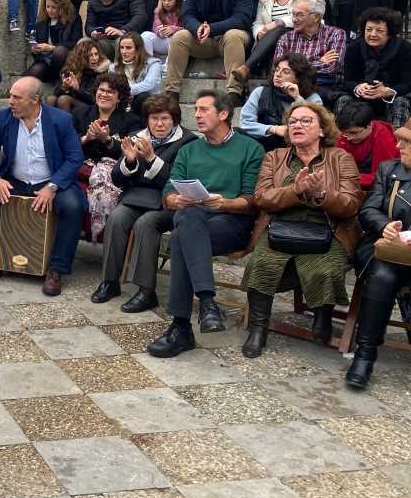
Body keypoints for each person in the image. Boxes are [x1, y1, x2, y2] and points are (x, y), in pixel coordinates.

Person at [146, 91, 264, 358]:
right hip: (193, 219)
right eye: (196, 109)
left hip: (231, 223)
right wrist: (175, 199)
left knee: (180, 237)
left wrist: (223, 203)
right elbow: (168, 191)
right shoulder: (189, 150)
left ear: (223, 114)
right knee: (185, 224)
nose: (196, 115)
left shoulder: (250, 148)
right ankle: (207, 303)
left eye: (203, 110)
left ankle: (181, 328)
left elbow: (252, 200)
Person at [242, 101, 361, 357]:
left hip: (327, 229)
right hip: (280, 227)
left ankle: (322, 317)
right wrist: (295, 191)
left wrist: (321, 194)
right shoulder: (274, 157)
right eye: (293, 121)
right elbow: (261, 198)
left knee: (325, 267)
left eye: (306, 121)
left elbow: (351, 205)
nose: (297, 125)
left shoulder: (340, 158)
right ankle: (258, 328)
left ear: (321, 130)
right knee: (260, 263)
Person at [0, 76, 86, 293]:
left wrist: (52, 186)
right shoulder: (5, 117)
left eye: (16, 97)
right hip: (15, 180)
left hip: (50, 181)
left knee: (72, 206)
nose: (10, 101)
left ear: (35, 100)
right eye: (11, 96)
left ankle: (56, 269)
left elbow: (74, 157)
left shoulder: (60, 120)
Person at [91, 94, 197, 310]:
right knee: (117, 217)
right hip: (137, 198)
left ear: (174, 120)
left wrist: (150, 159)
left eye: (165, 119)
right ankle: (110, 282)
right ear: (146, 120)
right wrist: (129, 161)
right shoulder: (135, 136)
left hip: (167, 202)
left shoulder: (187, 142)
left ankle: (146, 291)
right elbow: (117, 178)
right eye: (154, 118)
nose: (159, 124)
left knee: (145, 224)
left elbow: (176, 181)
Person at [349, 118, 411, 387]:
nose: (398, 146)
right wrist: (385, 226)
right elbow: (368, 210)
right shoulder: (389, 170)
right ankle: (364, 354)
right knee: (383, 275)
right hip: (386, 249)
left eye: (407, 142)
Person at [160, 0, 256, 100]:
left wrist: (212, 28)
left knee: (233, 35)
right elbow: (187, 15)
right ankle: (171, 91)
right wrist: (197, 28)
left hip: (232, 40)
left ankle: (235, 92)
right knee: (180, 36)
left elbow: (242, 19)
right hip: (204, 40)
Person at [233, 0, 320, 86]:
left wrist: (277, 23)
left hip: (300, 35)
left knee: (279, 30)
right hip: (272, 41)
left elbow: (307, 14)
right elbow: (258, 22)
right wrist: (259, 33)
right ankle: (266, 84)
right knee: (276, 35)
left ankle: (247, 68)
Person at [339, 6, 411, 125]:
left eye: (379, 30)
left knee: (401, 102)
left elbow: (407, 83)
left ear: (390, 33)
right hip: (363, 96)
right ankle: (343, 140)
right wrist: (359, 87)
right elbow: (347, 81)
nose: (372, 34)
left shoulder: (405, 49)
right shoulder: (354, 48)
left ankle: (397, 141)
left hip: (393, 95)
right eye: (369, 29)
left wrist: (388, 91)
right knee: (343, 100)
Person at [240, 53, 323, 150]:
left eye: (286, 72)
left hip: (295, 147)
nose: (278, 74)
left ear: (298, 79)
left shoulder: (313, 98)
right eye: (277, 69)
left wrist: (297, 98)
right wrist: (274, 129)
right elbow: (245, 123)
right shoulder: (260, 92)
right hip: (263, 144)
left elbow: (314, 128)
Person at [271, 0, 346, 100]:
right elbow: (277, 66)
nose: (294, 19)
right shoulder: (286, 38)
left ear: (316, 17)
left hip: (323, 86)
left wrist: (294, 68)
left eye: (299, 15)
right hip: (289, 85)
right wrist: (319, 61)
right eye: (293, 15)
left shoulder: (336, 34)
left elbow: (331, 68)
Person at [74, 72, 142, 161]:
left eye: (110, 92)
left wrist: (108, 140)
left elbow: (132, 154)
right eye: (101, 90)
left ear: (119, 97)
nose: (104, 94)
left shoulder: (132, 121)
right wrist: (85, 138)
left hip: (110, 170)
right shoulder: (79, 113)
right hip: (79, 165)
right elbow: (67, 143)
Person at [85, 0, 151, 57]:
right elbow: (89, 25)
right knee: (83, 43)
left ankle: (119, 70)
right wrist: (93, 32)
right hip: (104, 40)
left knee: (122, 42)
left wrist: (123, 31)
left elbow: (141, 16)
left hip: (127, 35)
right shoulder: (93, 1)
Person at [25, 0, 83, 84]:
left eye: (54, 7)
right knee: (33, 73)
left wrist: (52, 48)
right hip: (46, 60)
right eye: (47, 6)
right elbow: (39, 43)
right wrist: (35, 49)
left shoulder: (74, 19)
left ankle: (59, 78)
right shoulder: (42, 21)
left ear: (62, 8)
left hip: (66, 60)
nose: (49, 10)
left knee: (59, 51)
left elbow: (76, 42)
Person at [337, 100, 398, 190]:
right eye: (345, 133)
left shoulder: (385, 139)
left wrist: (349, 179)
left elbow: (383, 177)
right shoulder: (343, 135)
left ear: (370, 125)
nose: (348, 138)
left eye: (353, 133)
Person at [109, 33, 163, 112]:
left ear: (138, 49)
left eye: (128, 48)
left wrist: (125, 91)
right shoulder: (113, 67)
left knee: (143, 96)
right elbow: (111, 87)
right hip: (122, 103)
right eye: (122, 48)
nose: (124, 51)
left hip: (147, 105)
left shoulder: (153, 64)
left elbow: (149, 84)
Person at [51, 38, 108, 113]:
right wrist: (65, 87)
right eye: (90, 55)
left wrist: (77, 90)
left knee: (63, 99)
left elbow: (94, 99)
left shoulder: (102, 72)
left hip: (92, 108)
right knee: (51, 99)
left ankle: (66, 124)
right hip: (74, 103)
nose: (95, 58)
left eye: (96, 54)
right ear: (81, 57)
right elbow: (56, 92)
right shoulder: (72, 69)